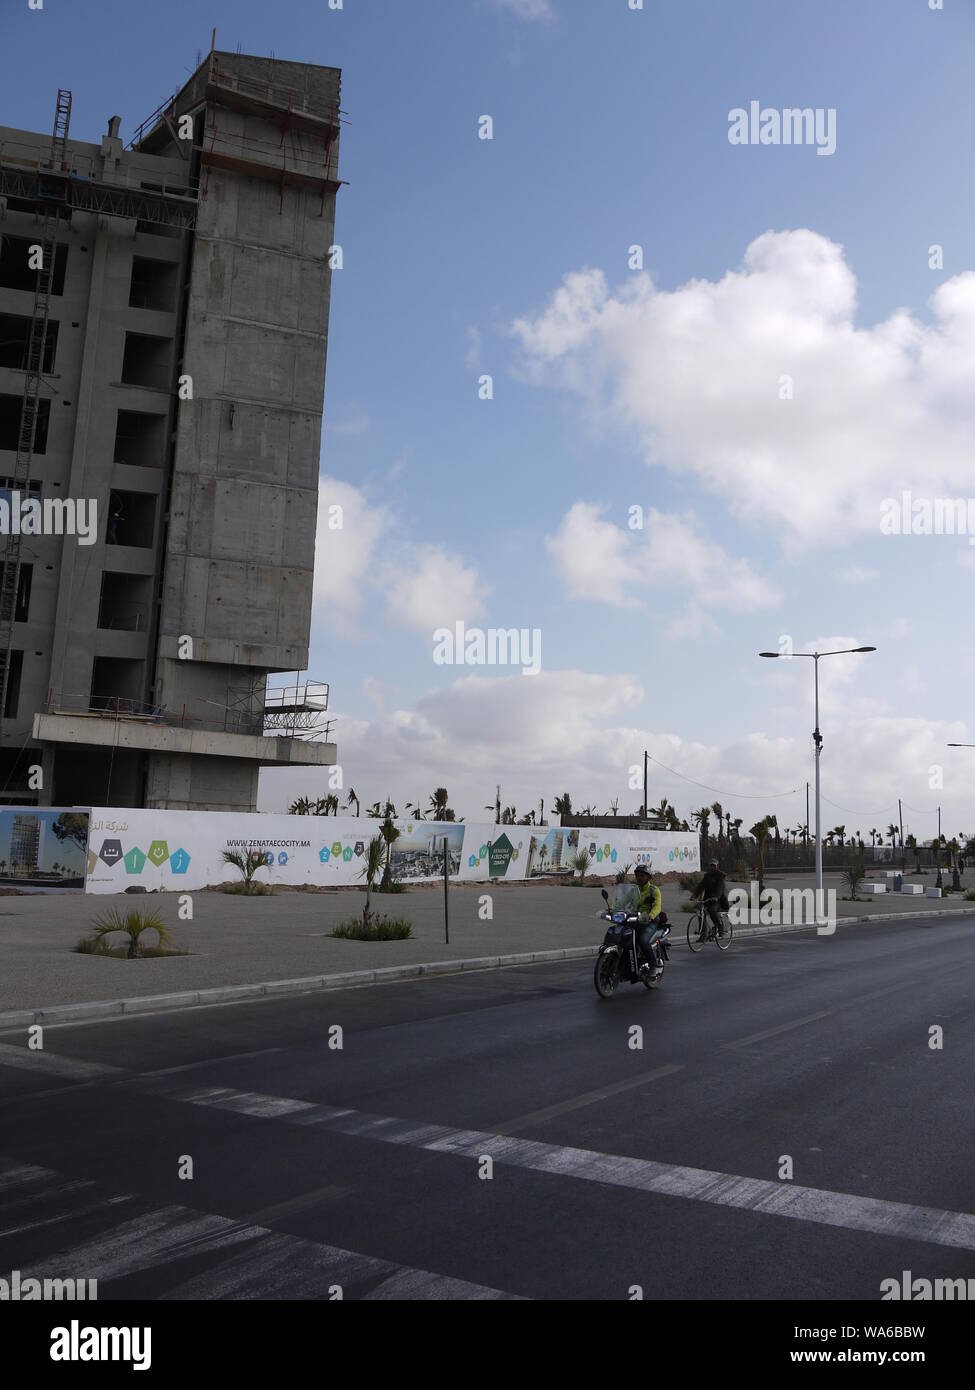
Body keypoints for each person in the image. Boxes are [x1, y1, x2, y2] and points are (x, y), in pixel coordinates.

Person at [633, 863, 663, 976]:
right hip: (635, 920)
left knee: (643, 940)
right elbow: (622, 902)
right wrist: (612, 909)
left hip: (650, 922)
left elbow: (657, 906)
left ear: (648, 878)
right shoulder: (634, 890)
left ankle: (653, 966)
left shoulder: (654, 890)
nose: (639, 878)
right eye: (637, 875)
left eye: (642, 876)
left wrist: (651, 915)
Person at [692, 858, 729, 939]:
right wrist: (694, 895)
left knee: (712, 910)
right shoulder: (707, 876)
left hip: (718, 901)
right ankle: (703, 934)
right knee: (700, 912)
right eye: (711, 865)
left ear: (717, 866)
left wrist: (716, 896)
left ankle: (720, 927)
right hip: (707, 899)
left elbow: (720, 888)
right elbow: (701, 886)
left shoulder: (720, 876)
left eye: (714, 865)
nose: (712, 867)